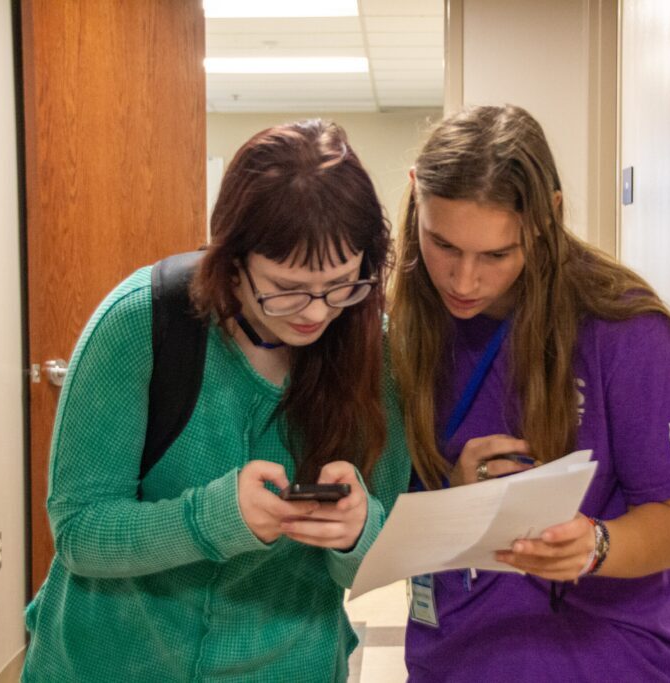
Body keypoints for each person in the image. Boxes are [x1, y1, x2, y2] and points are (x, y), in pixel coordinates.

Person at [21, 120, 410, 682]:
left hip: (289, 664)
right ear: (231, 260)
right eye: (285, 288)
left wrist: (358, 529)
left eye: (342, 284)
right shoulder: (141, 321)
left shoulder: (380, 351)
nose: (317, 312)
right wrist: (212, 518)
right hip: (106, 661)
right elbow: (80, 532)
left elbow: (387, 548)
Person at [388, 104, 670, 681]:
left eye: (497, 254)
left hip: (613, 659)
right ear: (415, 196)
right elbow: (378, 517)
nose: (464, 281)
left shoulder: (625, 330)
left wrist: (595, 545)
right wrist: (454, 498)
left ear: (549, 217)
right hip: (460, 657)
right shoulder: (398, 332)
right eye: (443, 244)